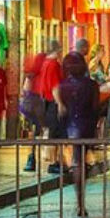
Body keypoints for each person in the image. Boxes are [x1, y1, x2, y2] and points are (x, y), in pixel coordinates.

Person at [59, 51, 101, 217]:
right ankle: (80, 203)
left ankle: (80, 203)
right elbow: (96, 108)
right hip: (86, 125)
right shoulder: (91, 85)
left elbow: (61, 110)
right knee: (80, 161)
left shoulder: (63, 86)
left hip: (71, 127)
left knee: (77, 162)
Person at [35, 39, 67, 174]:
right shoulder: (53, 65)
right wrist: (60, 103)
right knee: (56, 132)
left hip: (46, 101)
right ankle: (55, 162)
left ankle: (57, 161)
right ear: (58, 50)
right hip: (53, 102)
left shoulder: (45, 64)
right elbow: (55, 86)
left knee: (54, 132)